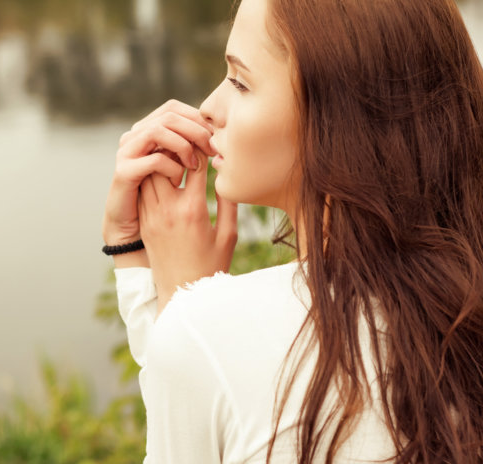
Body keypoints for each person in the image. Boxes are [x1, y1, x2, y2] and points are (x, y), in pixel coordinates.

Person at [101, 0, 483, 462]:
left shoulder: (213, 333)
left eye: (240, 82)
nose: (208, 108)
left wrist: (180, 300)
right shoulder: (457, 311)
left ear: (341, 119)